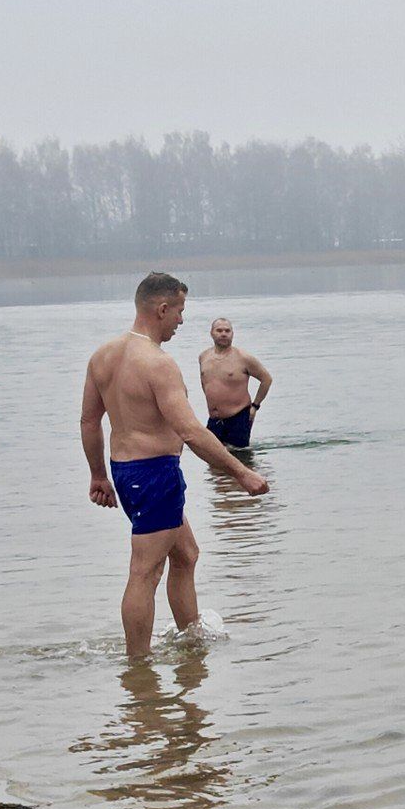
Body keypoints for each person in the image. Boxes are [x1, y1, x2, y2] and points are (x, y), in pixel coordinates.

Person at [81, 273, 269, 658]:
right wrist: (242, 473)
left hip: (127, 471)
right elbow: (190, 430)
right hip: (153, 474)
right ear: (161, 309)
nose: (182, 321)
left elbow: (89, 420)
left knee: (186, 555)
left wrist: (98, 474)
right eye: (180, 311)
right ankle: (138, 664)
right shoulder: (158, 363)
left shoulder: (103, 355)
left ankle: (191, 640)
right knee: (145, 571)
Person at [199, 318, 273, 450]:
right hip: (214, 419)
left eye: (227, 331)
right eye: (219, 330)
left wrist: (255, 406)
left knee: (240, 461)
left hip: (238, 417)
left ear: (232, 334)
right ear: (211, 333)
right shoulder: (203, 357)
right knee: (212, 459)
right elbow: (205, 382)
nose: (223, 334)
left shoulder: (243, 358)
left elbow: (266, 379)